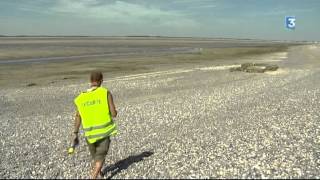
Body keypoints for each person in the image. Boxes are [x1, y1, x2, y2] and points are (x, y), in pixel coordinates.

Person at [72, 71, 118, 179]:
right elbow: (113, 113)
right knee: (100, 156)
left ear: (90, 81)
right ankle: (93, 176)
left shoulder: (81, 97)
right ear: (101, 80)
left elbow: (78, 117)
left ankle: (100, 172)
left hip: (90, 134)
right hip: (103, 132)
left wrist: (75, 133)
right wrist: (115, 112)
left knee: (96, 156)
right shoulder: (105, 93)